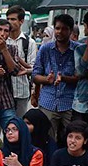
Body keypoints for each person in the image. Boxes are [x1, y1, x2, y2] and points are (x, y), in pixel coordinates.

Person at [33, 14, 79, 144]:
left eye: (64, 29)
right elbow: (35, 75)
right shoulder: (45, 49)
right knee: (47, 139)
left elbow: (81, 77)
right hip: (48, 101)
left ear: (70, 30)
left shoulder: (77, 50)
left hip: (69, 102)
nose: (60, 32)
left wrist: (64, 79)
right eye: (57, 28)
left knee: (71, 140)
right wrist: (46, 80)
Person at [6, 6, 35, 117]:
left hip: (22, 91)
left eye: (13, 19)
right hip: (5, 92)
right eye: (8, 19)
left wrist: (24, 68)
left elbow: (34, 67)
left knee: (19, 124)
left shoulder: (29, 42)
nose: (9, 22)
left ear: (21, 21)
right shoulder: (2, 40)